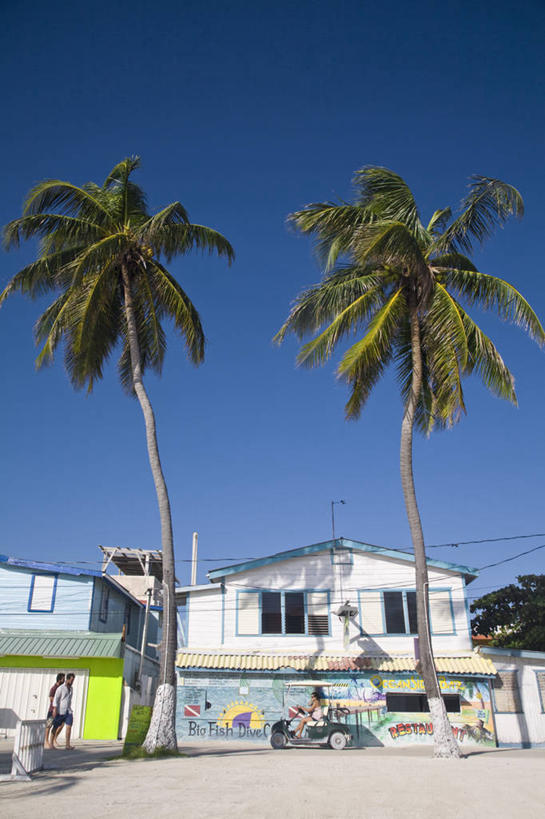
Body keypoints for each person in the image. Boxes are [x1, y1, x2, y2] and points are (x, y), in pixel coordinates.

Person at [50, 672, 76, 750]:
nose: (72, 682)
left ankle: (67, 744)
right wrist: (55, 709)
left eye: (73, 680)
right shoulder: (60, 688)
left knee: (69, 726)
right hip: (60, 711)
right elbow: (55, 699)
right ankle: (51, 743)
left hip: (68, 710)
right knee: (55, 726)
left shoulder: (71, 689)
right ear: (67, 679)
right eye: (71, 680)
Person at [44, 672, 65, 746]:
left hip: (60, 711)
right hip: (52, 710)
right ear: (59, 679)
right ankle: (46, 741)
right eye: (63, 678)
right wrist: (58, 701)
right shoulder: (54, 688)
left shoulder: (62, 688)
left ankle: (54, 739)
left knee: (60, 725)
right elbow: (51, 698)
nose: (64, 680)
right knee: (49, 725)